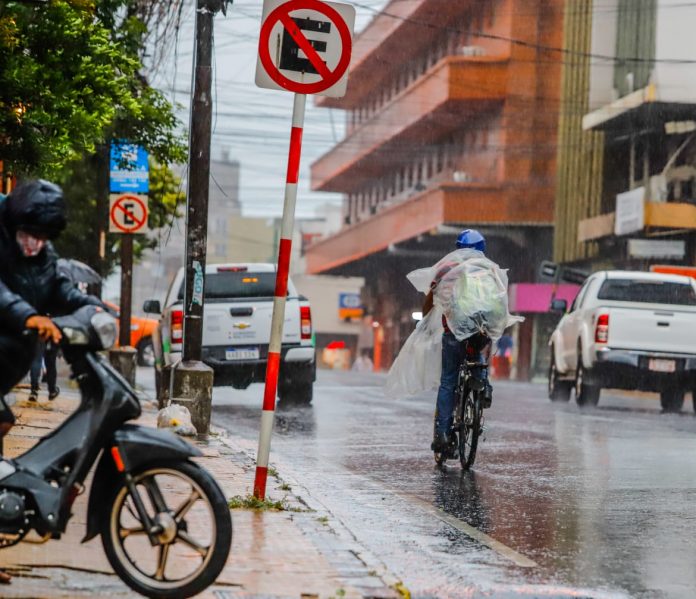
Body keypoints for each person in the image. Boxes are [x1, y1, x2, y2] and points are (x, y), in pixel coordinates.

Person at [0, 180, 103, 443]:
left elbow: (56, 286)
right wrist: (28, 316)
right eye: (31, 233)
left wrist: (92, 308)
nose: (36, 242)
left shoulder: (43, 254)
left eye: (44, 237)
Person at [422, 229, 493, 453]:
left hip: (452, 333)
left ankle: (443, 434)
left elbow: (431, 299)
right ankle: (483, 386)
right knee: (477, 355)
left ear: (458, 248)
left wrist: (424, 321)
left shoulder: (446, 269)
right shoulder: (488, 271)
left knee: (449, 381)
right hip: (478, 333)